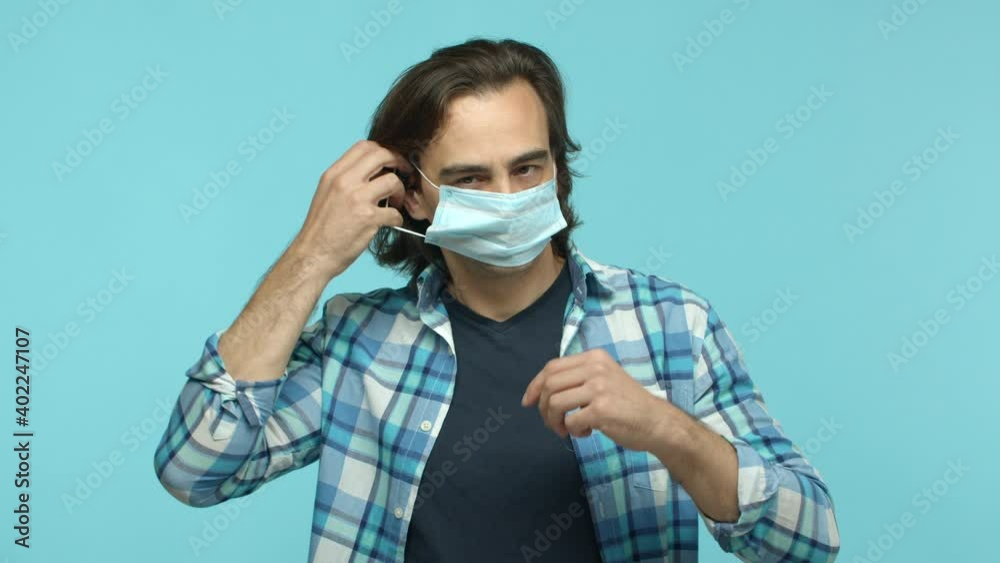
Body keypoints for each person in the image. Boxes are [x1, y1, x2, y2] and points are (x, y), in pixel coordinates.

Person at [154, 38, 839, 562]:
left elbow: (809, 539)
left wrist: (667, 428)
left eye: (527, 167)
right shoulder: (358, 342)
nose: (508, 197)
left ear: (558, 168)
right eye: (472, 178)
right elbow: (196, 469)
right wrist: (310, 257)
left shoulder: (671, 326)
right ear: (411, 195)